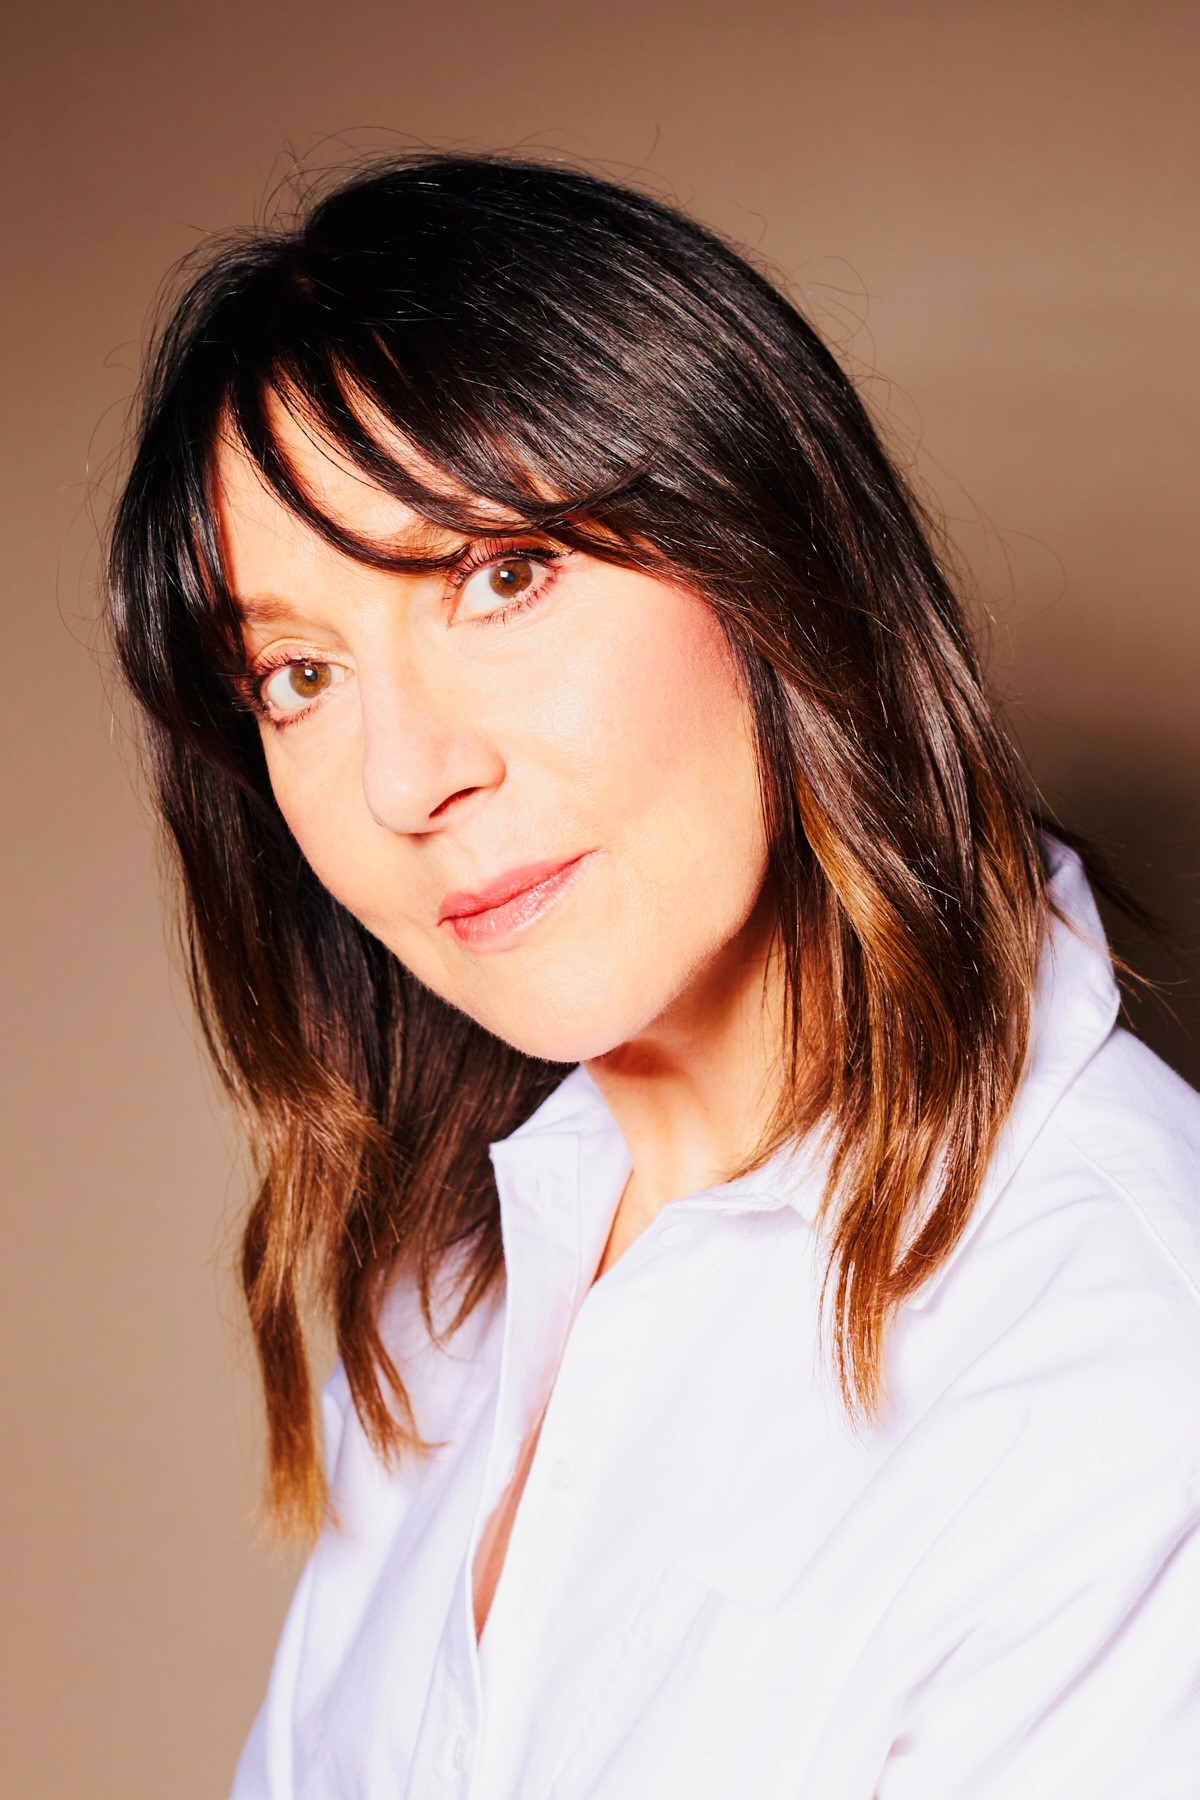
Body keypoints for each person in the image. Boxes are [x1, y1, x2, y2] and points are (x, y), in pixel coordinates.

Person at [105, 153, 1200, 1799]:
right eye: (301, 673)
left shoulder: (1113, 1355)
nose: (409, 777)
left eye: (500, 574)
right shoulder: (448, 1286)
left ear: (768, 551)